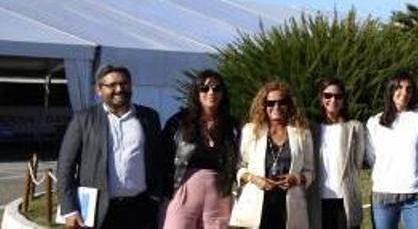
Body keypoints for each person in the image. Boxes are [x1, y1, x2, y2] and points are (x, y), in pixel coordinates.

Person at [57, 65, 165, 229]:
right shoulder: (83, 119)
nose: (119, 89)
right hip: (98, 211)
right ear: (99, 90)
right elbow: (65, 167)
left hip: (141, 208)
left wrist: (157, 197)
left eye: (124, 83)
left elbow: (158, 160)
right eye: (112, 85)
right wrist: (69, 209)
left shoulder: (149, 117)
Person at [161, 70, 240, 229]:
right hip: (183, 191)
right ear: (196, 93)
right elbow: (163, 159)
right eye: (204, 89)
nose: (211, 92)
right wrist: (165, 193)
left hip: (219, 194)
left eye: (216, 88)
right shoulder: (178, 122)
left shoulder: (233, 126)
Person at [234, 81, 313, 229]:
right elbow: (239, 167)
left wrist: (296, 178)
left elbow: (310, 171)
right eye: (271, 103)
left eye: (281, 102)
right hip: (256, 208)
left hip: (289, 209)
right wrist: (254, 179)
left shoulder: (303, 134)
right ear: (264, 106)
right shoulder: (251, 131)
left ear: (289, 105)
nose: (276, 107)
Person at [366, 72, 418, 229]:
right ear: (390, 90)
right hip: (384, 194)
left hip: (415, 195)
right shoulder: (374, 122)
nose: (404, 93)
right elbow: (372, 157)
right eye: (399, 87)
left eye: (408, 89)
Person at [308, 78, 367, 229]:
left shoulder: (355, 128)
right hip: (319, 200)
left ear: (343, 100)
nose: (333, 99)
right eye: (328, 95)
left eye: (338, 96)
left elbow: (358, 161)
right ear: (321, 99)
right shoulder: (312, 130)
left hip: (345, 199)